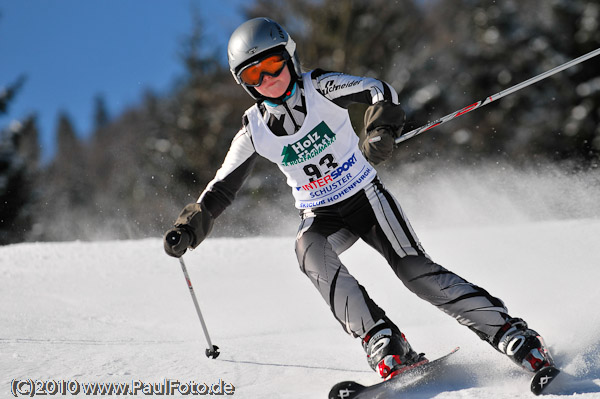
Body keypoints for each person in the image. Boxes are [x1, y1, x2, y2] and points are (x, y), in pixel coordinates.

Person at [164, 17, 554, 380]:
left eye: (273, 66)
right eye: (253, 74)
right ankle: (383, 340)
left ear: (290, 58)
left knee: (413, 272)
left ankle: (508, 332)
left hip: (366, 198)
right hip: (320, 214)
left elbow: (378, 90)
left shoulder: (320, 88)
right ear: (244, 83)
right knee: (307, 249)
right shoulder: (253, 131)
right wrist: (188, 228)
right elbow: (218, 190)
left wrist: (380, 128)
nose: (267, 79)